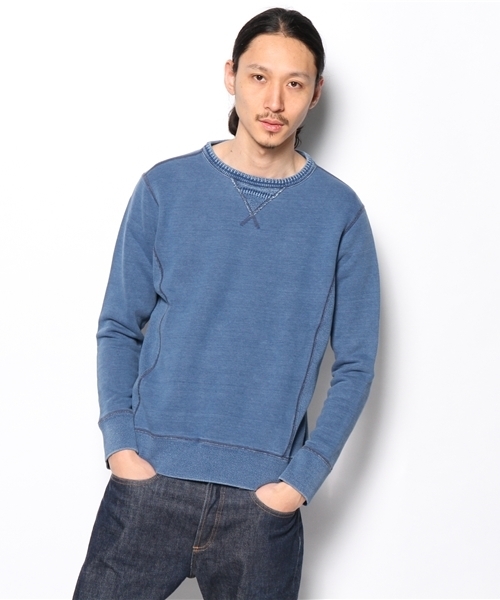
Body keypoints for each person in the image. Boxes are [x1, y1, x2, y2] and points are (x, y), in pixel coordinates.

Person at [73, 7, 379, 600]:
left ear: (316, 93)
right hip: (150, 482)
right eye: (259, 77)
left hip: (261, 507)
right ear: (230, 76)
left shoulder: (340, 214)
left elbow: (357, 364)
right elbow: (119, 326)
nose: (274, 101)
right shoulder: (165, 188)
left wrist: (300, 480)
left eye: (294, 84)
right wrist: (121, 446)